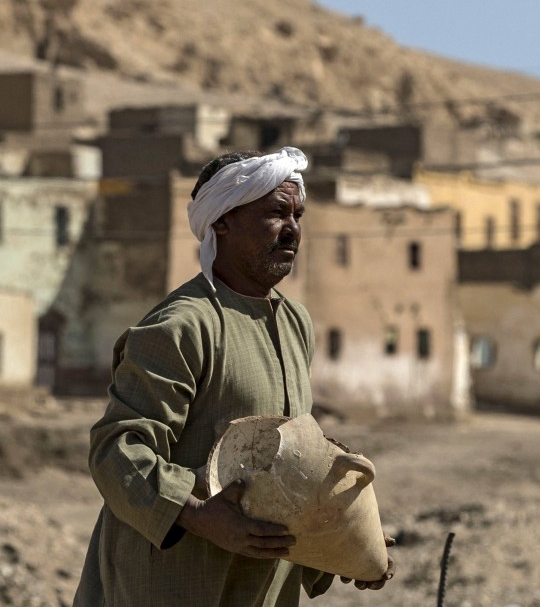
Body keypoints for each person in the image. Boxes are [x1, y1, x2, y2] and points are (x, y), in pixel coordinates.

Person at [73, 147, 395, 606]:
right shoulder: (181, 326)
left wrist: (344, 544)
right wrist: (201, 514)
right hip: (171, 580)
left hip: (263, 582)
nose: (292, 231)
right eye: (276, 214)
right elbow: (116, 450)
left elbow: (291, 460)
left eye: (298, 215)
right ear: (222, 221)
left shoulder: (295, 323)